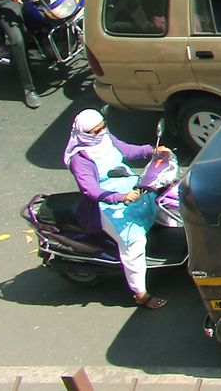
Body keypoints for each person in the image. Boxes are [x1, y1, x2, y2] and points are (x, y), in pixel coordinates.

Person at [64, 109, 180, 307]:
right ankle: (140, 294)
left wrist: (153, 150)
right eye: (95, 131)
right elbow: (90, 190)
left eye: (103, 127)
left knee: (167, 203)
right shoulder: (80, 159)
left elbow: (126, 150)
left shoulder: (104, 138)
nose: (100, 133)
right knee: (133, 244)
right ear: (83, 133)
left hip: (131, 186)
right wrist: (120, 197)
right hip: (107, 205)